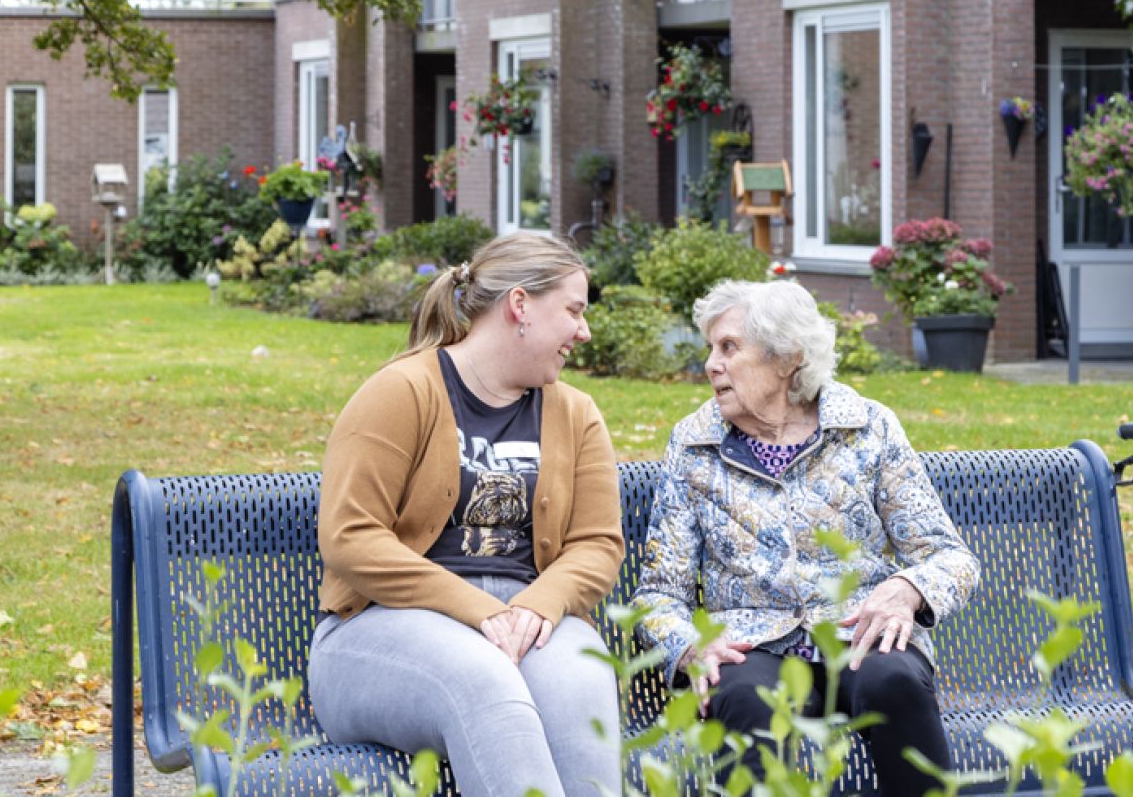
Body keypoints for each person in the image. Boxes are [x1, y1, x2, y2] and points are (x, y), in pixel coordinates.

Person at [632, 279, 981, 796]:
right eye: (711, 348)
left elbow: (950, 557)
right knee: (746, 701)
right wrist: (686, 646)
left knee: (897, 683)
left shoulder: (867, 428)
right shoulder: (694, 445)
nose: (711, 364)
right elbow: (658, 592)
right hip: (750, 643)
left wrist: (907, 590)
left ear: (787, 358)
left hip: (856, 629)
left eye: (729, 347)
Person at [308, 233, 623, 797]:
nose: (585, 330)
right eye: (574, 310)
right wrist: (480, 611)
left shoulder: (575, 413)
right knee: (484, 681)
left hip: (527, 620)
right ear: (520, 306)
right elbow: (350, 537)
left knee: (583, 683)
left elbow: (597, 544)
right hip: (379, 632)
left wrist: (538, 605)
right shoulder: (401, 391)